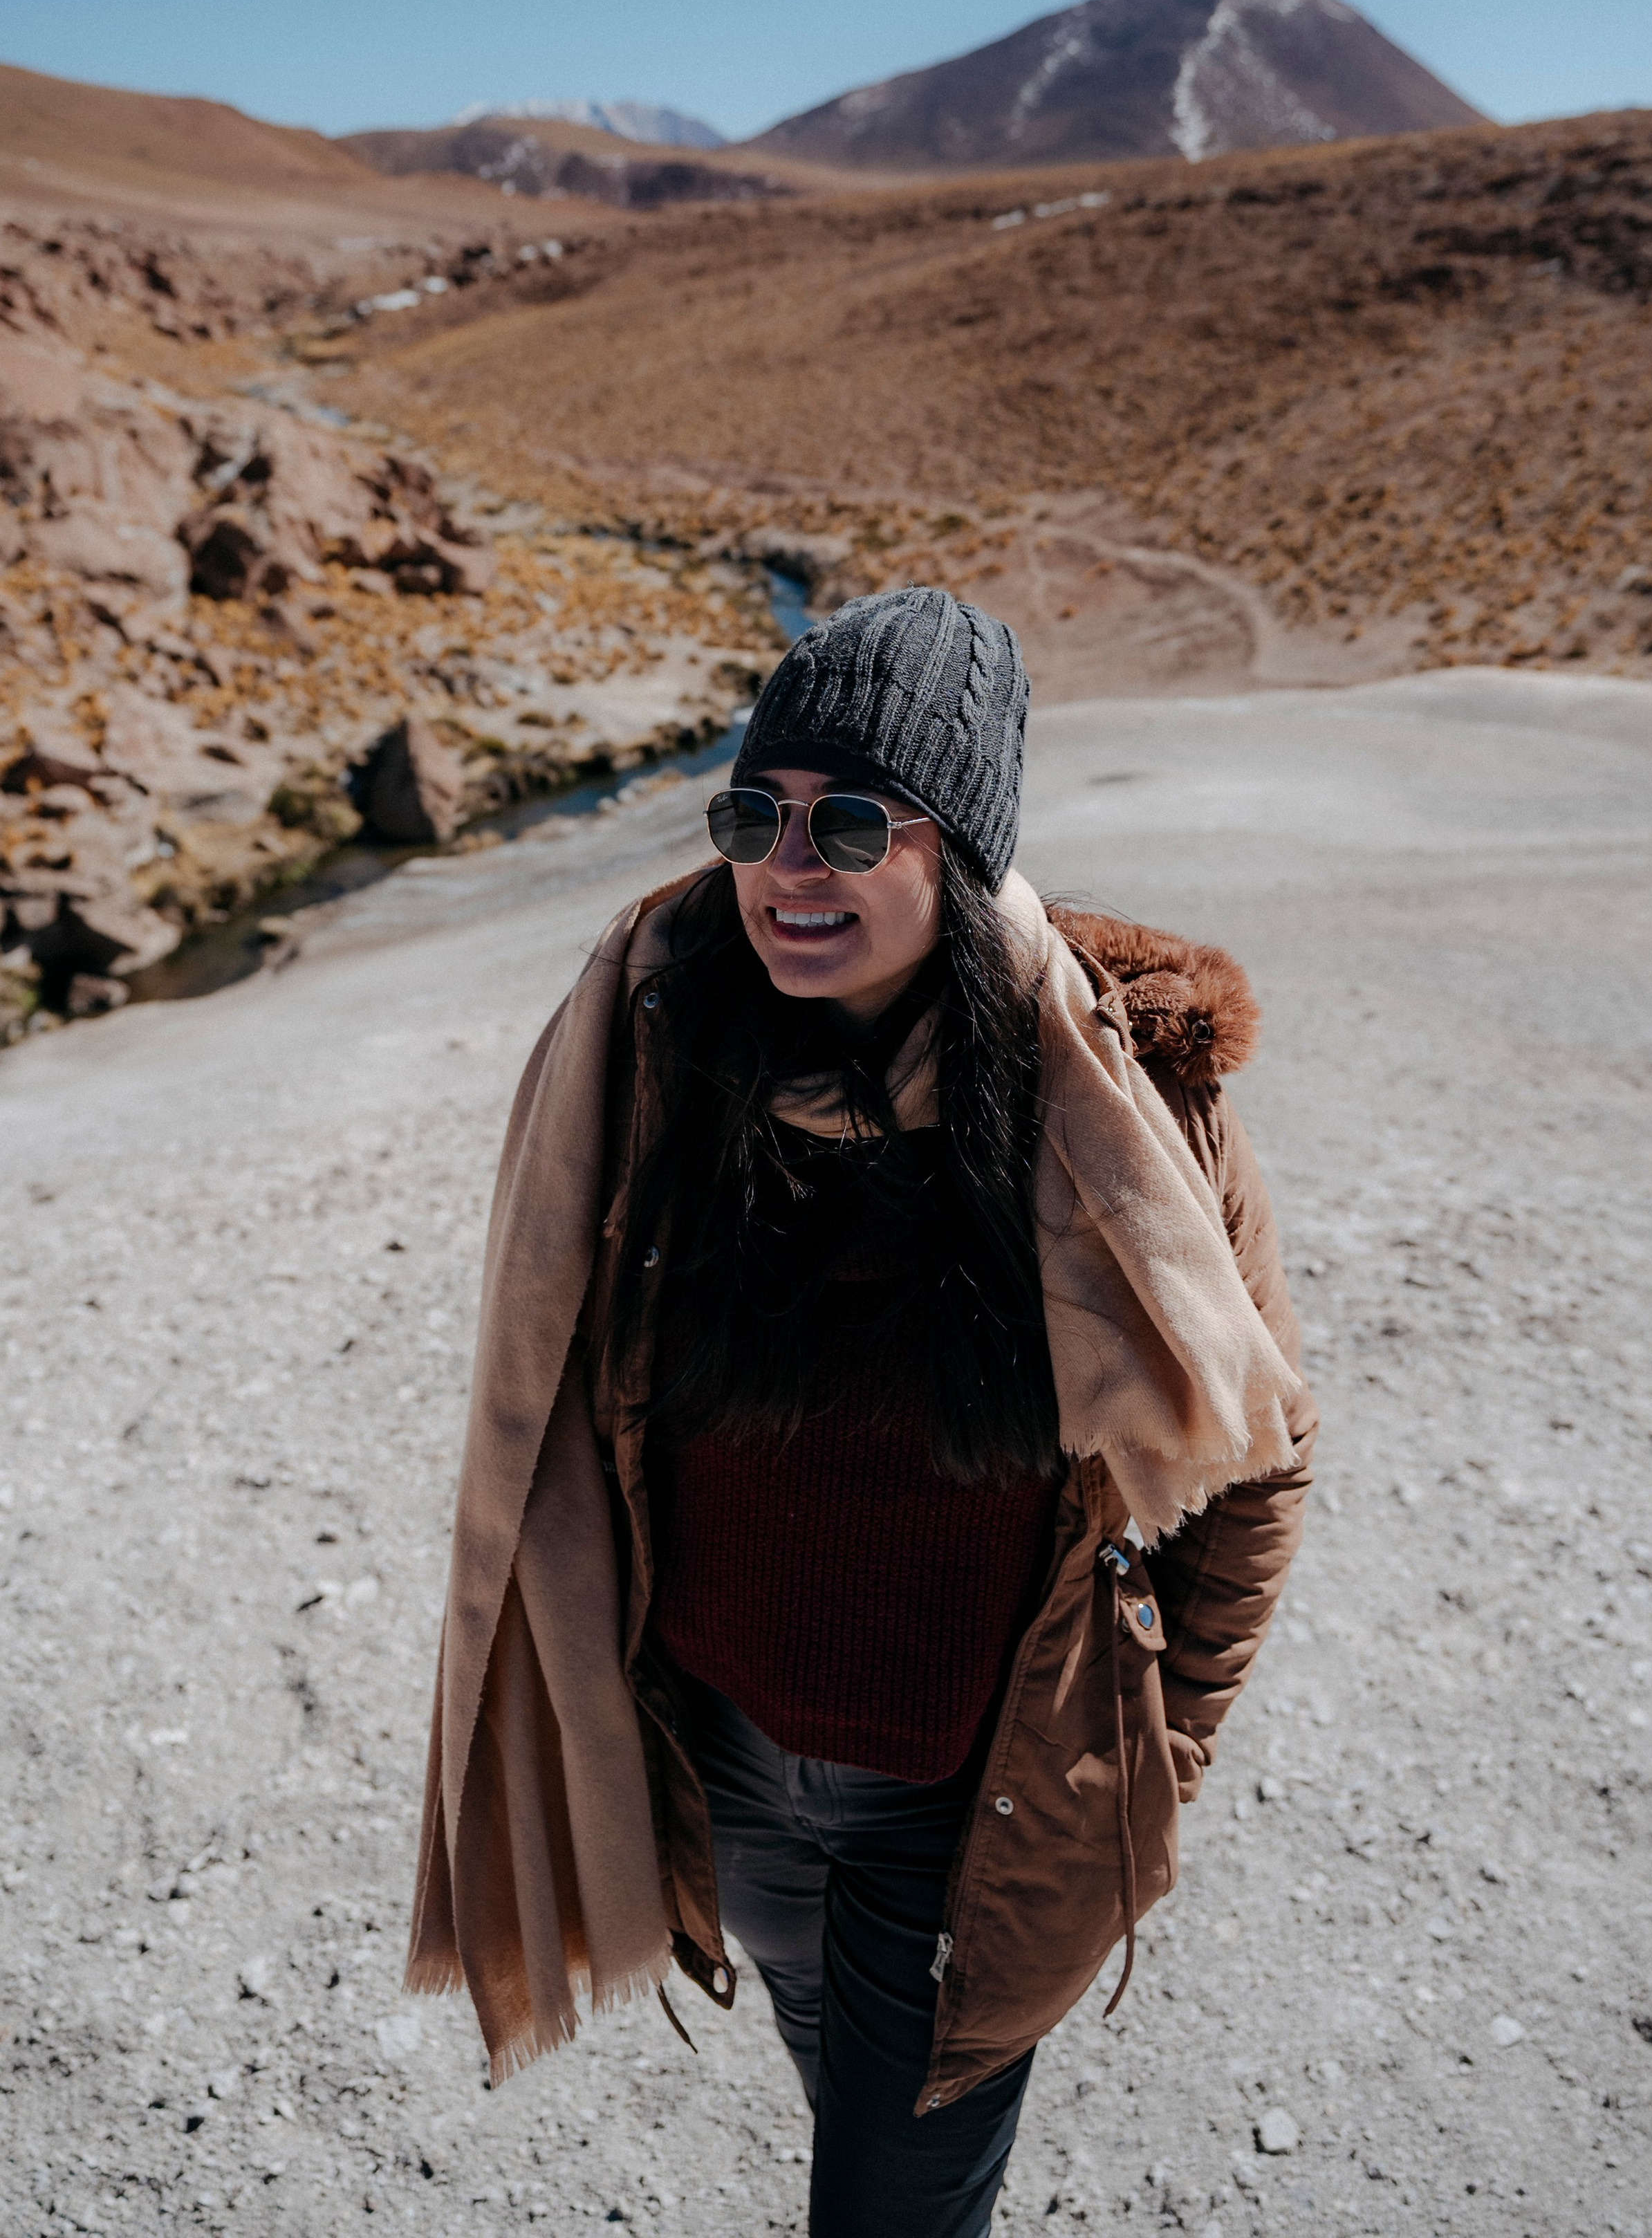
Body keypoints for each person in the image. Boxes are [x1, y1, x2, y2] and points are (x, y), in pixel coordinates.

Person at [407, 586, 1316, 2238]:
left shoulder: (1120, 1105)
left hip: (974, 1804)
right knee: (850, 2105)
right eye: (752, 815)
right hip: (729, 1764)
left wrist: (1162, 1737)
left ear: (955, 848)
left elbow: (1259, 1455)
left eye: (844, 822)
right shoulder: (660, 1049)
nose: (786, 865)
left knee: (891, 2205)